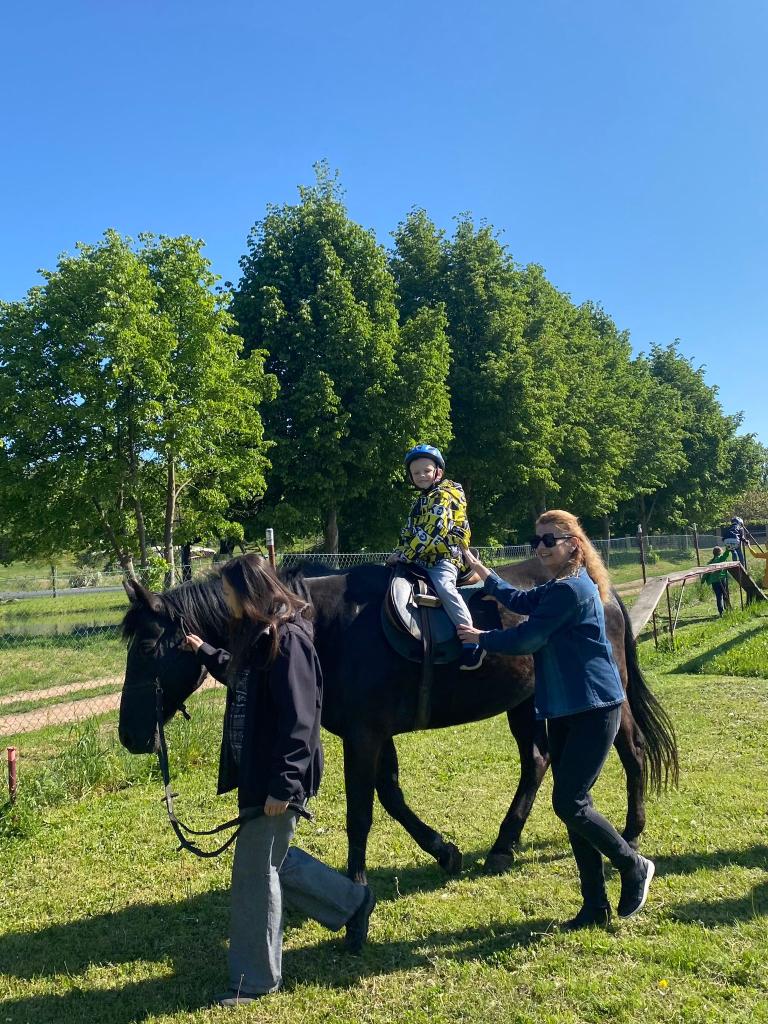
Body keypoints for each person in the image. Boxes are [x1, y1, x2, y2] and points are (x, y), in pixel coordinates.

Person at [183, 554, 375, 1007]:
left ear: (248, 593)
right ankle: (351, 902)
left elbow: (301, 720)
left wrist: (284, 786)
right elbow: (244, 673)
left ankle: (255, 980)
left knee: (255, 873)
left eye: (228, 593)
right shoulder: (260, 635)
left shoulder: (289, 641)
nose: (225, 600)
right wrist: (204, 651)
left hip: (276, 779)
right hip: (260, 772)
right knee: (275, 859)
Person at [457, 510, 655, 931]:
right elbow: (519, 601)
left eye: (550, 540)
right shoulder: (556, 586)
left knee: (570, 802)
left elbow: (528, 637)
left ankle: (632, 865)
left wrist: (482, 638)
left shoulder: (572, 589)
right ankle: (594, 905)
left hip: (594, 706)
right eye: (537, 541)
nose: (541, 548)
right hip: (563, 707)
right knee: (574, 806)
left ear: (573, 545)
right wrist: (483, 572)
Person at [388, 443, 484, 670]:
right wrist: (398, 552)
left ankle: (471, 638)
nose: (421, 475)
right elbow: (408, 531)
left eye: (426, 471)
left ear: (438, 472)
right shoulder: (420, 501)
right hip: (420, 558)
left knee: (444, 587)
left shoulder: (443, 496)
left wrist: (406, 554)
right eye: (416, 473)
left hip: (444, 558)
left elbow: (434, 531)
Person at [705, 545, 732, 616]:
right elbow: (724, 556)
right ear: (720, 552)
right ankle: (727, 609)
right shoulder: (720, 558)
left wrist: (703, 580)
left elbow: (706, 573)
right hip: (721, 579)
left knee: (718, 596)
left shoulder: (710, 562)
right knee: (725, 594)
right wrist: (728, 550)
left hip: (714, 581)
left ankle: (721, 612)